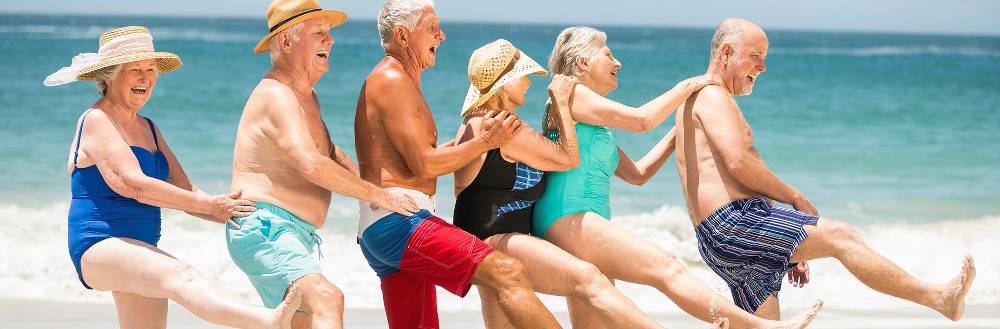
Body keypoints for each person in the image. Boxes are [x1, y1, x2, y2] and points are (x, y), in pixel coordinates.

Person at [674, 18, 977, 321]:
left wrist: (789, 243)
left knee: (765, 327)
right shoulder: (712, 95)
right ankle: (938, 298)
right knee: (839, 235)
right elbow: (738, 163)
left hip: (730, 233)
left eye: (764, 58)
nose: (763, 67)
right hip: (732, 226)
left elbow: (731, 172)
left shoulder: (698, 98)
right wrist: (797, 200)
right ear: (726, 53)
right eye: (755, 56)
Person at [532, 26, 824, 329]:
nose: (617, 63)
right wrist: (690, 86)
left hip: (579, 220)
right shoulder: (573, 96)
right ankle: (761, 327)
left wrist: (682, 127)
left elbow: (638, 174)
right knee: (666, 267)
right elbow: (641, 120)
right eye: (608, 55)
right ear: (582, 63)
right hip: (570, 215)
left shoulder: (590, 125)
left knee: (593, 324)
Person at [45, 25, 301, 328]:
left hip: (141, 248)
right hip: (99, 243)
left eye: (150, 69)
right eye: (135, 69)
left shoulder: (149, 128)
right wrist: (211, 206)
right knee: (181, 275)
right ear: (109, 77)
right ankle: (268, 321)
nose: (145, 77)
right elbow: (132, 185)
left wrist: (239, 214)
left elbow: (188, 191)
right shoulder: (97, 119)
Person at [452, 39, 716, 329]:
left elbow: (637, 174)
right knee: (589, 278)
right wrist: (564, 106)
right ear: (505, 83)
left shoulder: (477, 123)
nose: (528, 83)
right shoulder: (500, 126)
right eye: (523, 76)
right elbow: (568, 159)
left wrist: (679, 129)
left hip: (488, 241)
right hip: (493, 241)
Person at [354, 1, 562, 328]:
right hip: (398, 224)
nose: (443, 35)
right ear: (402, 36)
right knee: (508, 272)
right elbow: (424, 164)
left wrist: (471, 144)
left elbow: (414, 156)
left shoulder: (402, 80)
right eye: (432, 27)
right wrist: (485, 143)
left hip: (383, 225)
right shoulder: (392, 79)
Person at [225, 1, 419, 328]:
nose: (330, 41)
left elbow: (329, 152)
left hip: (293, 231)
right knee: (328, 298)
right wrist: (382, 197)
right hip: (265, 226)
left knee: (303, 321)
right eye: (318, 33)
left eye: (329, 33)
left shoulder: (306, 95)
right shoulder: (277, 95)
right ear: (286, 43)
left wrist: (375, 193)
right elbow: (312, 166)